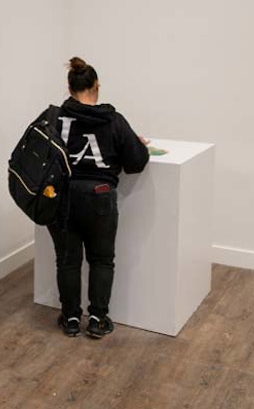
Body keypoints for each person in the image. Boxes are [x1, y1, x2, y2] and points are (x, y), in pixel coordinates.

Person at [49, 57, 149, 339]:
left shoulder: (55, 117)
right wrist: (136, 144)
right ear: (97, 86)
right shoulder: (114, 121)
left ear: (69, 89)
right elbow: (136, 162)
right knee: (102, 260)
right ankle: (97, 319)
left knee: (67, 261)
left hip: (62, 199)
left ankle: (70, 319)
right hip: (100, 199)